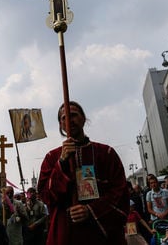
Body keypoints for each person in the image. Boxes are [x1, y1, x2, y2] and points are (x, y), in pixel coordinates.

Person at [38, 101, 129, 245]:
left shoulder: (106, 153)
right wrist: (61, 163)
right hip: (65, 234)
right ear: (60, 125)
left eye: (73, 115)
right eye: (64, 118)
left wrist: (91, 210)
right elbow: (45, 196)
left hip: (101, 235)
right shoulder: (52, 157)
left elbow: (120, 193)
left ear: (83, 119)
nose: (69, 120)